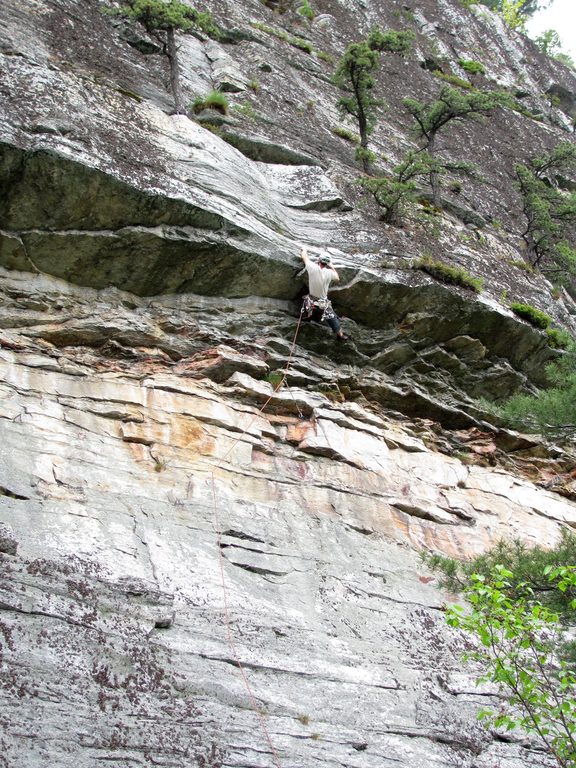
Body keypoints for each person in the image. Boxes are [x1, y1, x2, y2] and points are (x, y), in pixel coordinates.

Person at [299, 246, 347, 340]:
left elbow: (304, 256)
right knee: (332, 318)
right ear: (327, 263)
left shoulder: (311, 267)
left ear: (319, 260)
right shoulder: (329, 273)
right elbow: (337, 277)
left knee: (306, 302)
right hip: (323, 303)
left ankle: (308, 317)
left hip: (311, 300)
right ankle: (340, 335)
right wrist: (332, 266)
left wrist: (304, 249)